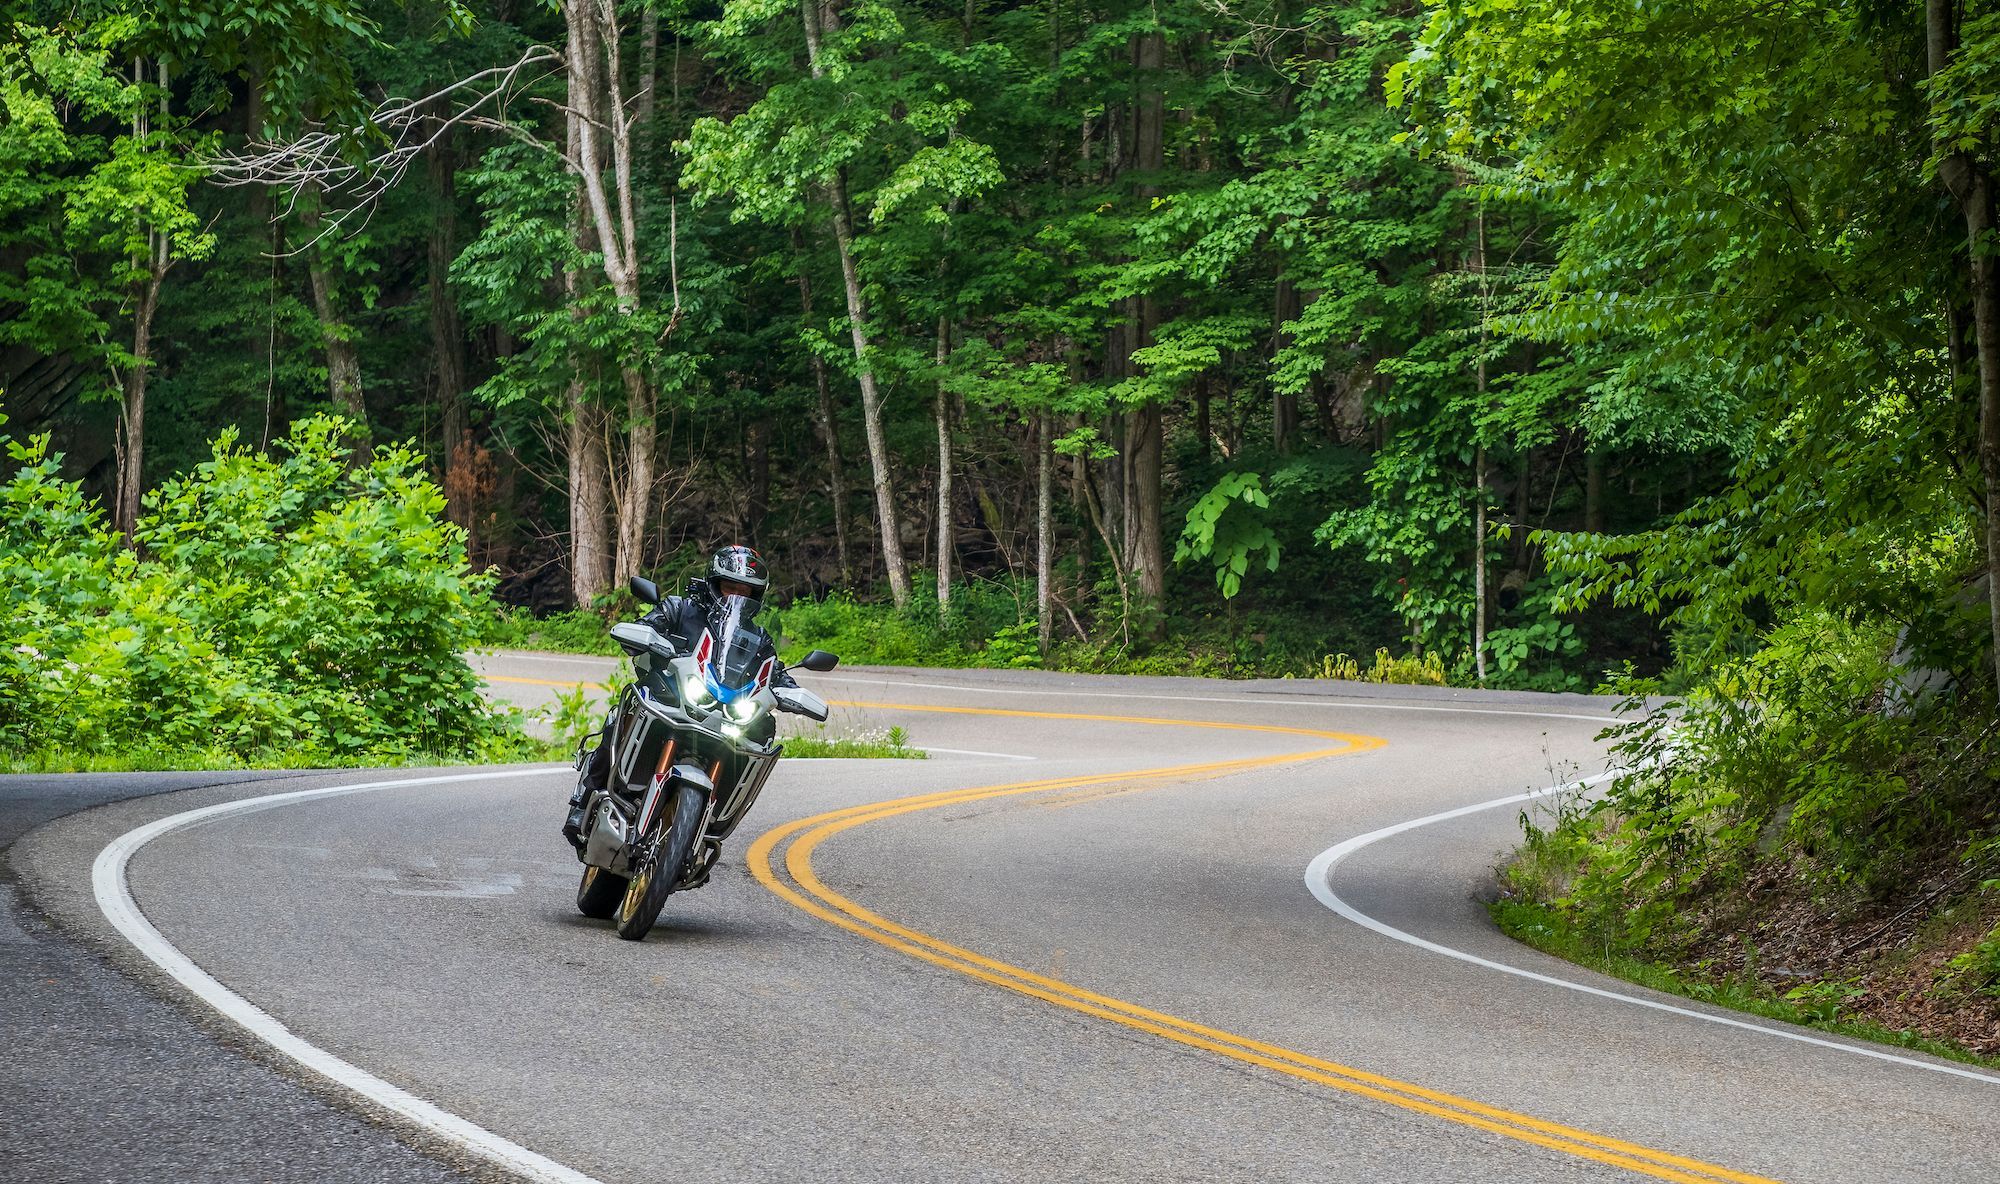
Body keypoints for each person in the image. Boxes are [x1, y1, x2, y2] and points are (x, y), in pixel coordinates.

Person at [563, 545, 792, 848]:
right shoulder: (680, 608)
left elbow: (775, 671)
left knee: (761, 733)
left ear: (756, 597)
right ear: (713, 584)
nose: (736, 597)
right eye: (729, 588)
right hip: (671, 699)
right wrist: (647, 637)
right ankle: (586, 798)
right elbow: (647, 626)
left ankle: (705, 824)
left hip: (722, 714)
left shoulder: (758, 638)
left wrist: (790, 690)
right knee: (626, 709)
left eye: (746, 592)